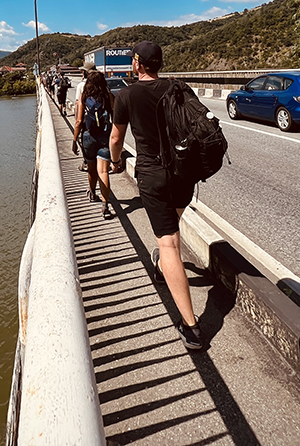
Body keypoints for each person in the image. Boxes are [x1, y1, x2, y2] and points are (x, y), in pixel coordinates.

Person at [108, 41, 203, 350]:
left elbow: (115, 137)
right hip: (183, 174)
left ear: (137, 63)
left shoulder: (127, 95)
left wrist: (115, 160)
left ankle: (191, 326)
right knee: (172, 229)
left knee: (169, 243)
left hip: (153, 175)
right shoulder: (178, 87)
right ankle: (163, 264)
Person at [72, 70, 116, 219]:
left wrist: (74, 141)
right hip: (104, 136)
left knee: (91, 169)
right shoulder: (108, 96)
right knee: (103, 171)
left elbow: (78, 121)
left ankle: (92, 193)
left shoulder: (83, 97)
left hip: (88, 137)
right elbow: (115, 118)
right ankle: (105, 206)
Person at [75, 61, 96, 171]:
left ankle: (86, 162)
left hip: (86, 124)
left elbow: (77, 105)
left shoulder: (81, 86)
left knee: (87, 148)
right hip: (102, 126)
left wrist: (74, 138)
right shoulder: (101, 85)